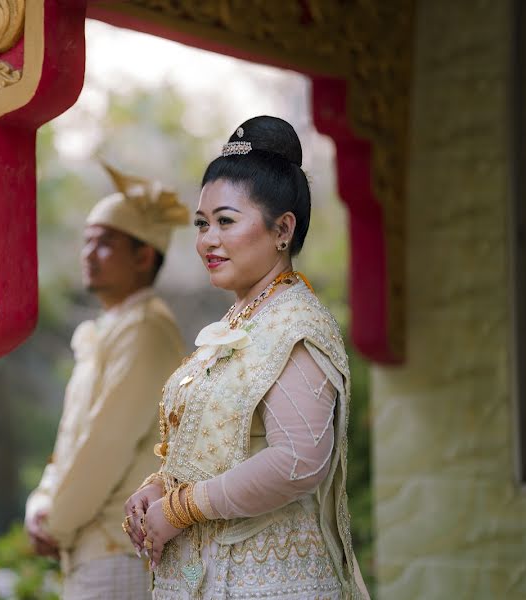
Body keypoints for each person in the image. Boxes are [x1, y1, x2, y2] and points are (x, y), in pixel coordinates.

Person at [123, 116, 369, 599]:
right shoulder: (243, 319)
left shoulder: (295, 323)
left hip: (269, 581)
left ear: (282, 229)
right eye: (201, 224)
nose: (207, 240)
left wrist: (180, 508)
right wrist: (159, 486)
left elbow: (299, 460)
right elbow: (217, 446)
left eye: (226, 221)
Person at [25, 162, 189, 599]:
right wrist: (40, 502)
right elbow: (71, 440)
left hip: (117, 548)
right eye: (86, 242)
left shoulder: (145, 329)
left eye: (105, 243)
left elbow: (106, 444)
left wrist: (56, 523)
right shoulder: (116, 327)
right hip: (92, 548)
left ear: (143, 255)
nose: (88, 253)